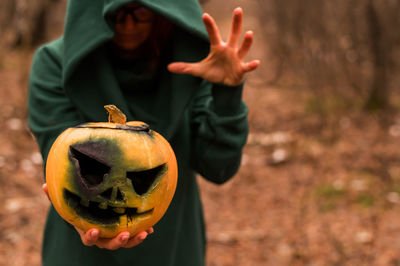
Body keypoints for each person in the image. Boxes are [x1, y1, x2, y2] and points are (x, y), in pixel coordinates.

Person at [28, 0, 259, 265]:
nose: (128, 25)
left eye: (140, 12)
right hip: (79, 252)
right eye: (117, 13)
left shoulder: (195, 64)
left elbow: (219, 167)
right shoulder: (54, 63)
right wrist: (82, 221)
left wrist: (226, 94)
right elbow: (63, 171)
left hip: (173, 247)